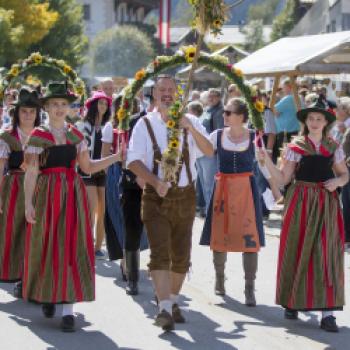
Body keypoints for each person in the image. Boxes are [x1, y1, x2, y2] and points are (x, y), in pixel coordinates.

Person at [23, 82, 121, 332]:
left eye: (63, 104)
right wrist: (28, 202)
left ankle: (68, 309)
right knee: (47, 244)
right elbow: (32, 171)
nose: (59, 109)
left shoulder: (76, 135)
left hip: (72, 193)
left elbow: (87, 168)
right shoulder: (38, 136)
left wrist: (116, 157)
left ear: (69, 108)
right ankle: (47, 294)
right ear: (46, 107)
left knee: (71, 245)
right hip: (47, 194)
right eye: (54, 104)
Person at [127, 75, 213, 331]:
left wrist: (190, 127)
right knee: (160, 253)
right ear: (154, 94)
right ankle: (164, 308)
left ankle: (172, 300)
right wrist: (154, 181)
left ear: (179, 94)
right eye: (161, 90)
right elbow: (132, 161)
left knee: (182, 257)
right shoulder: (145, 124)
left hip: (186, 196)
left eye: (171, 90)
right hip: (156, 198)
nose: (166, 93)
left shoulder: (192, 120)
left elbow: (209, 151)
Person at [259, 100, 349, 332]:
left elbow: (344, 174)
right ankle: (292, 301)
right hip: (300, 202)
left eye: (319, 119)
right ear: (306, 122)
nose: (315, 122)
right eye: (311, 118)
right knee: (296, 248)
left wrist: (337, 181)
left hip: (326, 204)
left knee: (326, 253)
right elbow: (283, 179)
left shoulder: (333, 146)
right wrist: (266, 160)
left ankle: (327, 313)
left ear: (326, 122)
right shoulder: (295, 146)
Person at [200, 98, 265, 305]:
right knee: (220, 234)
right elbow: (202, 153)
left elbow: (264, 165)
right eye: (225, 111)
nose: (224, 115)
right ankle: (220, 278)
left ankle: (249, 287)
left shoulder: (255, 137)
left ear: (241, 116)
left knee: (250, 239)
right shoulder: (216, 135)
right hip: (224, 189)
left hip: (247, 189)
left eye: (229, 112)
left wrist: (274, 187)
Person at [102, 97, 148, 295]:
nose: (128, 110)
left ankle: (131, 262)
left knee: (138, 221)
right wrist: (113, 179)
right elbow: (105, 156)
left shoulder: (141, 125)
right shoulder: (110, 128)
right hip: (116, 173)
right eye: (124, 107)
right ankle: (125, 261)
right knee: (119, 217)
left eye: (132, 106)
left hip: (140, 173)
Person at [0, 87, 41, 297]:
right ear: (17, 113)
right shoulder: (7, 136)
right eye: (24, 111)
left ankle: (28, 278)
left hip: (40, 189)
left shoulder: (44, 135)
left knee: (35, 234)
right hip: (14, 188)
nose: (28, 115)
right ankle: (16, 275)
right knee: (14, 233)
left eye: (32, 111)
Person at [77, 91, 112, 259]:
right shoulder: (83, 125)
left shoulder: (108, 126)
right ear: (93, 105)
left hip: (102, 170)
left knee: (103, 209)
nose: (103, 106)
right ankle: (86, 243)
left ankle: (98, 246)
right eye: (100, 103)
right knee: (91, 207)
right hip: (86, 169)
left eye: (105, 104)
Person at [197, 88, 224, 210]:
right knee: (203, 183)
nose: (211, 98)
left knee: (210, 185)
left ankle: (211, 212)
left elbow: (219, 132)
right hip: (200, 151)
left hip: (211, 153)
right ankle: (207, 209)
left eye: (214, 96)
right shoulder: (206, 110)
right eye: (209, 96)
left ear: (219, 98)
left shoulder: (220, 112)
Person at [273, 79, 300, 157]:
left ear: (289, 87)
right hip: (295, 132)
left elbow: (274, 111)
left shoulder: (288, 98)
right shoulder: (299, 97)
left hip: (286, 134)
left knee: (284, 158)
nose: (283, 89)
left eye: (284, 87)